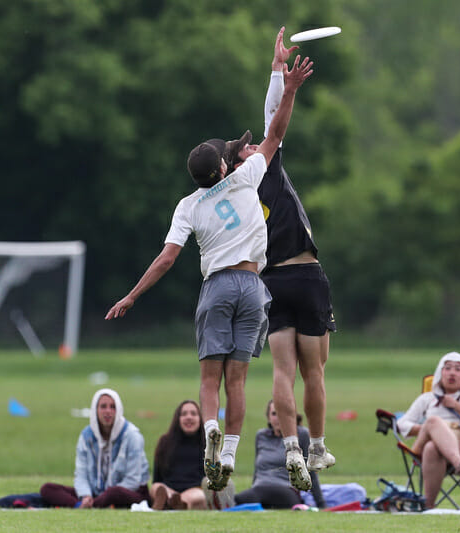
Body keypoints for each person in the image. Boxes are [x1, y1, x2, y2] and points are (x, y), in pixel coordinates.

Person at [105, 48, 314, 492]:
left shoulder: (188, 205)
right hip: (254, 286)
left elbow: (166, 259)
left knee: (209, 379)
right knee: (237, 379)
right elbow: (276, 130)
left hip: (217, 286)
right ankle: (231, 455)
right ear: (223, 167)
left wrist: (132, 295)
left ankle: (210, 435)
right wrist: (289, 87)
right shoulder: (244, 178)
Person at [222, 26, 336, 492]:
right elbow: (275, 120)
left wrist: (275, 68)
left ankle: (290, 445)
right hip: (305, 275)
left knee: (283, 372)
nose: (256, 145)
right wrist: (279, 76)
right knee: (315, 369)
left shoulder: (224, 197)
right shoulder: (261, 168)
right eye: (246, 147)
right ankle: (317, 447)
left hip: (268, 283)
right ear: (239, 160)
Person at [396, 352, 460, 509]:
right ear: (440, 373)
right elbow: (401, 424)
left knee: (432, 448)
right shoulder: (427, 398)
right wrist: (427, 429)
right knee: (433, 421)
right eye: (448, 368)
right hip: (425, 446)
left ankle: (429, 506)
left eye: (458, 369)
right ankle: (458, 462)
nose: (452, 373)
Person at [40, 389, 150, 508]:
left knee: (114, 493)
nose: (108, 411)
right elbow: (81, 473)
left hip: (128, 493)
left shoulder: (132, 436)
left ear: (119, 410)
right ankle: (81, 505)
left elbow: (133, 480)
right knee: (47, 489)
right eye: (103, 406)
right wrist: (86, 495)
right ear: (95, 410)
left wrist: (104, 496)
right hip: (95, 493)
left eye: (113, 407)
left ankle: (91, 506)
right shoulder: (86, 436)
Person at [234, 400, 325, 509]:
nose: (279, 418)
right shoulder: (261, 436)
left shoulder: (302, 434)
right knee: (239, 500)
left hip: (286, 489)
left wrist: (321, 503)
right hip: (260, 487)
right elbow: (257, 470)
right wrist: (253, 487)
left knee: (247, 499)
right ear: (268, 417)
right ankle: (218, 498)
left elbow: (311, 473)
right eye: (274, 414)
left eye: (283, 413)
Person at [150, 400, 207, 510]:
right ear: (177, 419)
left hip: (196, 489)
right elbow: (157, 478)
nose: (189, 417)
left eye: (193, 414)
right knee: (156, 487)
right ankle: (170, 501)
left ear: (200, 419)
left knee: (200, 495)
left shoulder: (208, 445)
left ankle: (173, 504)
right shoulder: (165, 442)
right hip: (169, 489)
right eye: (184, 414)